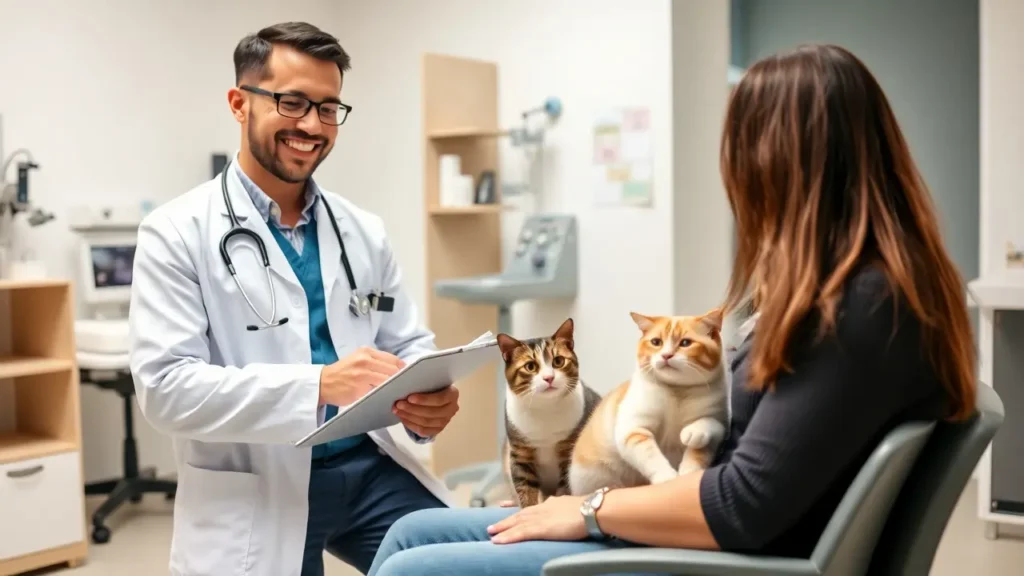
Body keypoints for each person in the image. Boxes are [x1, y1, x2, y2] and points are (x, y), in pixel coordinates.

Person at [366, 43, 978, 576]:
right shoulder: (858, 290)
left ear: (778, 162)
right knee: (409, 531)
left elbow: (743, 505)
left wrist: (589, 510)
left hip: (724, 560)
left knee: (415, 566)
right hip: (717, 533)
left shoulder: (857, 306)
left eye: (740, 150)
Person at [129, 22, 459, 576]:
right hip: (259, 486)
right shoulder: (175, 231)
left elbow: (408, 344)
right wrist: (320, 384)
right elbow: (166, 390)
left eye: (329, 108)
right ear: (240, 103)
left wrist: (428, 404)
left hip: (368, 468)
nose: (312, 125)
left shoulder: (362, 230)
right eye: (292, 102)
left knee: (467, 563)